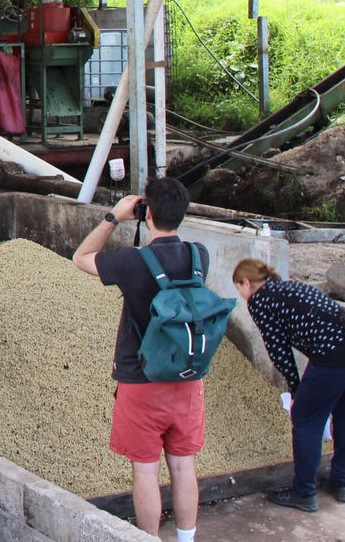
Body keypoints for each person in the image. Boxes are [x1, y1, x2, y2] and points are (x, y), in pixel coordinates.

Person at [72, 178, 204, 541]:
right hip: (187, 377)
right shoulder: (199, 256)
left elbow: (81, 257)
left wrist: (114, 218)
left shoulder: (132, 261)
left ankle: (148, 538)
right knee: (183, 466)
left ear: (147, 214)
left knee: (146, 472)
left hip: (140, 380)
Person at [231, 258, 345, 512]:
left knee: (305, 419)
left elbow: (279, 352)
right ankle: (341, 483)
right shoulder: (289, 287)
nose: (241, 294)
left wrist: (296, 390)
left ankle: (304, 493)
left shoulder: (259, 300)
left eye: (238, 288)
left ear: (246, 283)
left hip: (335, 355)